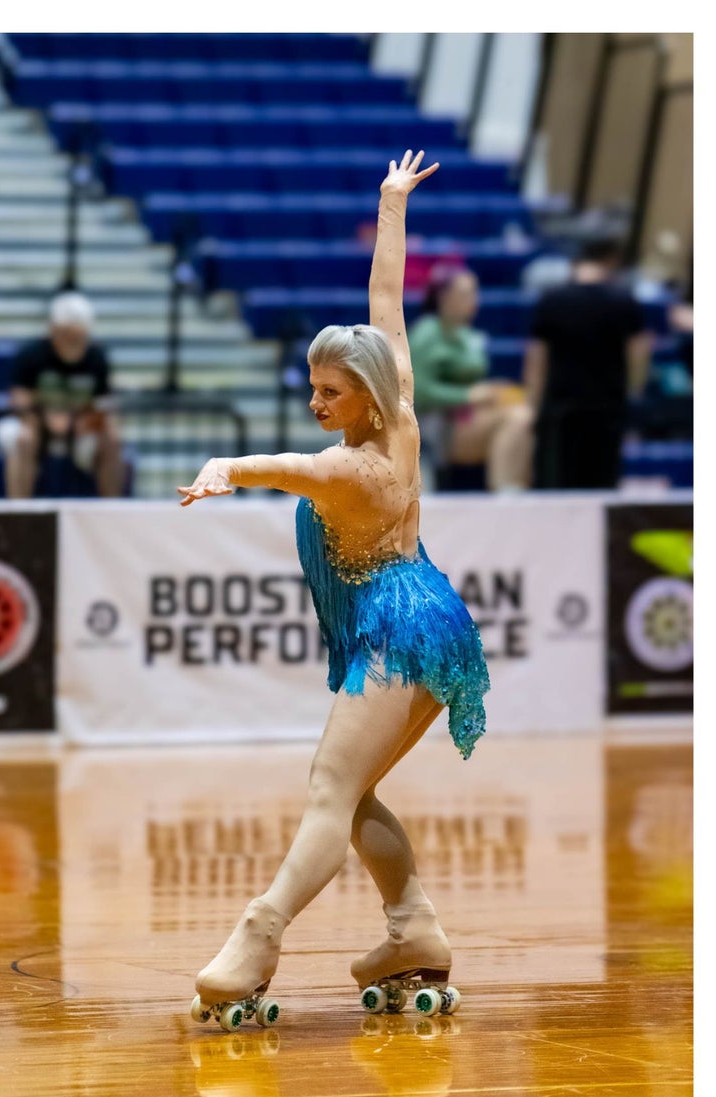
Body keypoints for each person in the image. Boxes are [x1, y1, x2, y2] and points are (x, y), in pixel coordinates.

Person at [175, 154, 491, 1031]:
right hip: (423, 621)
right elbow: (384, 298)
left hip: (401, 626)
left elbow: (292, 469)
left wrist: (228, 467)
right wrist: (391, 205)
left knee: (328, 788)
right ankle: (410, 928)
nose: (317, 401)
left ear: (366, 395)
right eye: (313, 388)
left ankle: (258, 935)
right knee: (350, 797)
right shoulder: (402, 405)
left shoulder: (351, 469)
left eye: (331, 390)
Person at [523, 239, 650, 492]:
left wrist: (533, 404)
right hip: (608, 409)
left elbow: (537, 357)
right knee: (601, 489)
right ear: (611, 261)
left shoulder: (552, 300)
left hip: (561, 410)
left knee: (557, 488)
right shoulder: (624, 300)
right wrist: (633, 389)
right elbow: (639, 350)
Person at [407, 268, 532, 492]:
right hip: (434, 426)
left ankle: (518, 485)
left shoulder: (469, 334)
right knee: (518, 418)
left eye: (475, 293)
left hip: (465, 416)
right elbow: (418, 391)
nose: (475, 300)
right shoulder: (427, 332)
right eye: (466, 294)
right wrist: (469, 395)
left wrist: (491, 390)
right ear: (444, 297)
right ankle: (507, 492)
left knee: (521, 408)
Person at [3, 291, 128, 499]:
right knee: (23, 438)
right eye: (67, 336)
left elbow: (104, 406)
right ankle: (18, 512)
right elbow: (19, 400)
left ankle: (111, 508)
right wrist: (43, 419)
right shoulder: (31, 355)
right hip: (33, 424)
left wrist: (81, 422)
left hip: (79, 429)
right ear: (53, 331)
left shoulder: (97, 358)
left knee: (112, 438)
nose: (73, 343)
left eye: (79, 337)